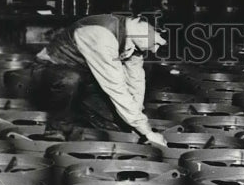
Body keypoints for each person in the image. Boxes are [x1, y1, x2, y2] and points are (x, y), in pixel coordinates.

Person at [15, 14, 168, 145]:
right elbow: (116, 87)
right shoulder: (102, 34)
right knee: (70, 80)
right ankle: (55, 131)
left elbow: (136, 82)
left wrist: (138, 124)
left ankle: (78, 129)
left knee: (117, 125)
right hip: (49, 71)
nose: (157, 47)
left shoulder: (136, 42)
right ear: (140, 22)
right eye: (159, 37)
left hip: (88, 78)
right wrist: (146, 130)